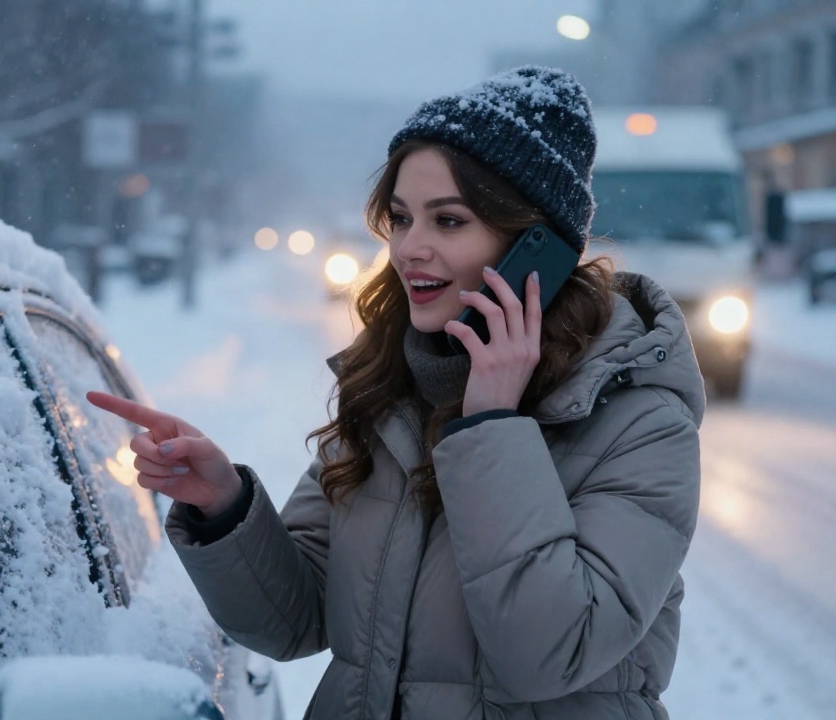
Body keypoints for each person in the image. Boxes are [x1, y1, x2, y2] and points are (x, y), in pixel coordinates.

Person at [88, 66, 703, 719]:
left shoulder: (639, 422)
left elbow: (548, 653)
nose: (410, 248)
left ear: (536, 246)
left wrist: (491, 426)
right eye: (402, 218)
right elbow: (292, 622)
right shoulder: (395, 389)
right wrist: (225, 507)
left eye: (448, 221)